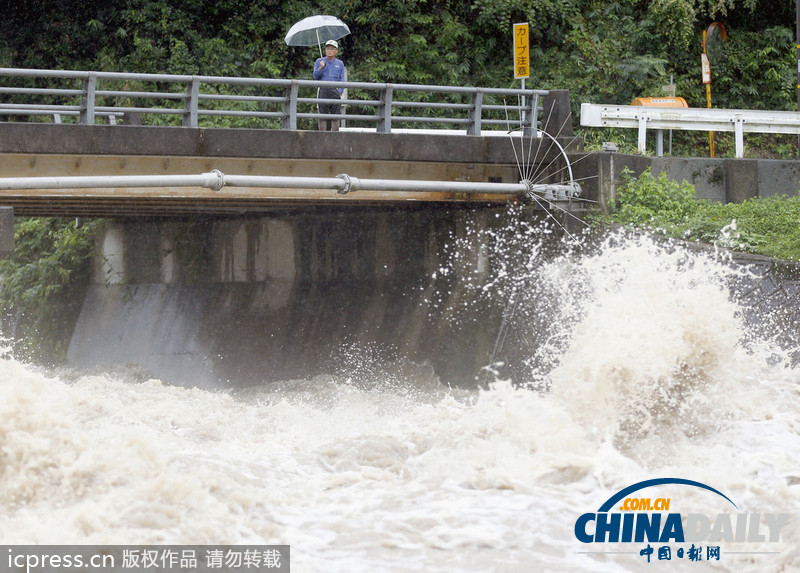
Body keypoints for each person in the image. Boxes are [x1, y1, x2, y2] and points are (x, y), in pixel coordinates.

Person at [313, 39, 346, 131]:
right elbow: (315, 76)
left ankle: (335, 135)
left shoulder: (340, 63)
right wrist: (321, 67)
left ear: (336, 51)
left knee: (335, 115)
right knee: (322, 114)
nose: (329, 51)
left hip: (335, 90)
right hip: (323, 89)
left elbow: (342, 78)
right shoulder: (319, 61)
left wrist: (339, 91)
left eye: (332, 49)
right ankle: (322, 135)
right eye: (328, 48)